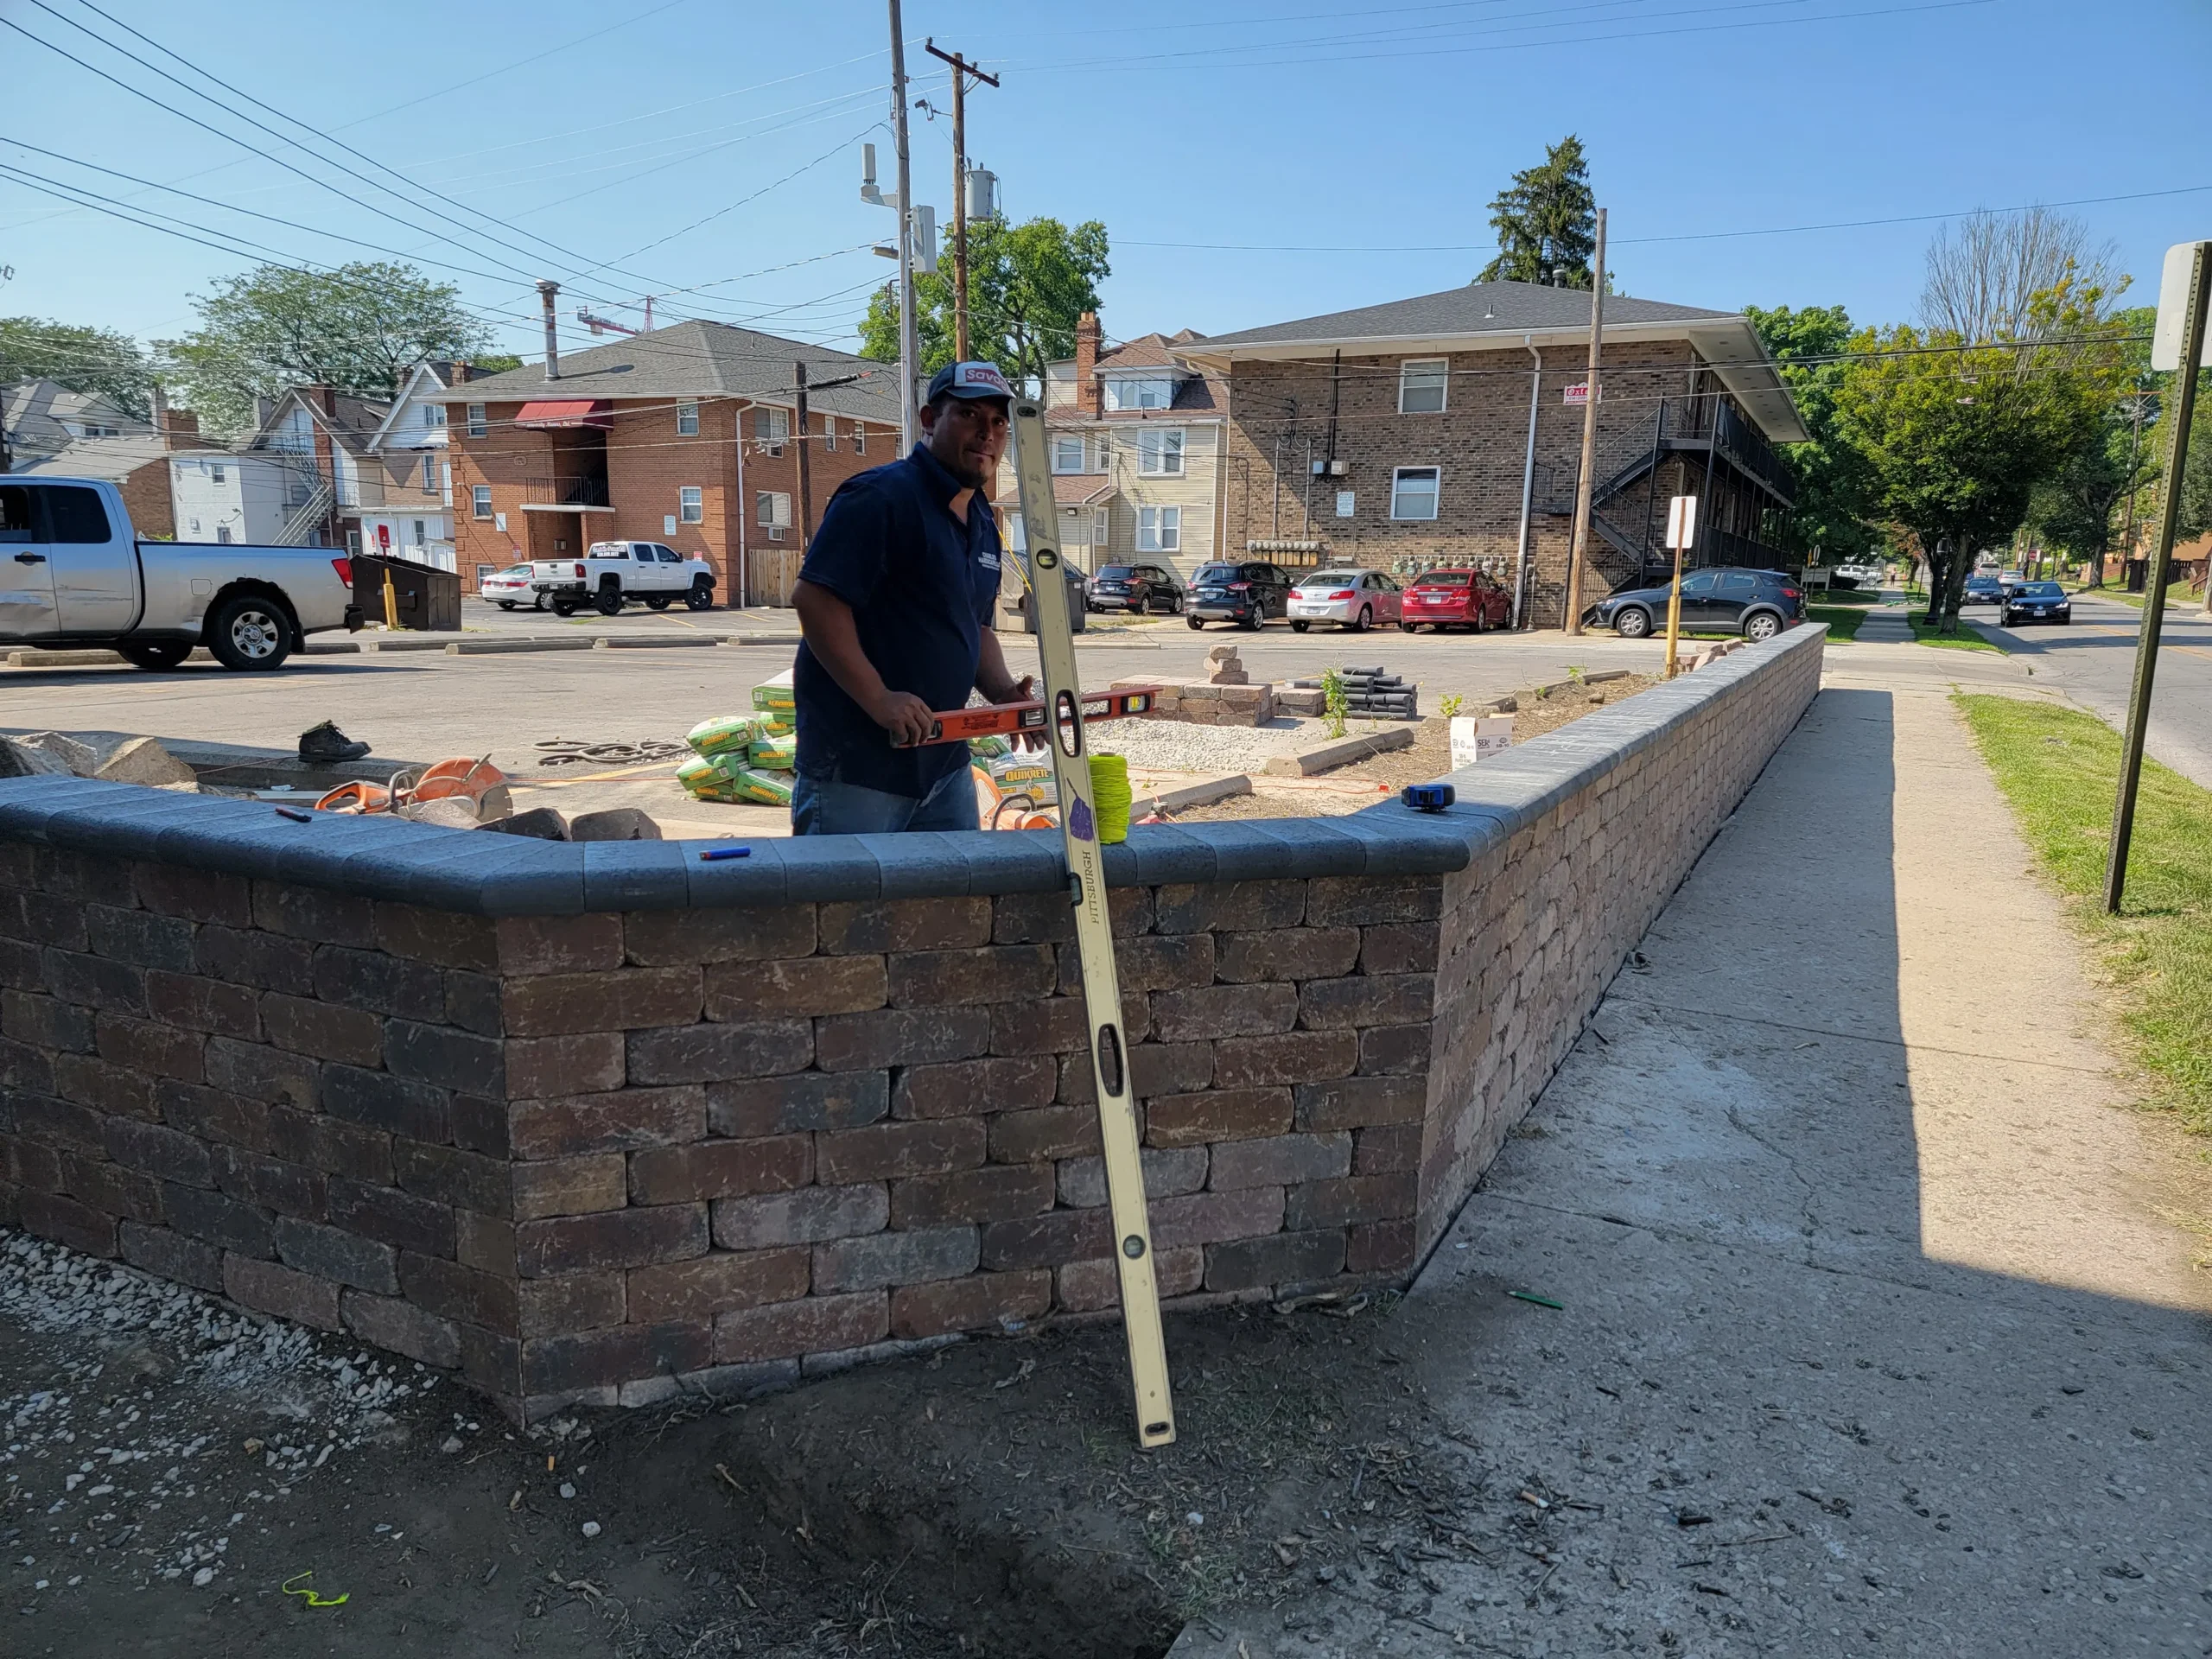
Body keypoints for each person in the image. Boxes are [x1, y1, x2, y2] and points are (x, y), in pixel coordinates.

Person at [788, 360, 1033, 835]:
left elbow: (974, 626)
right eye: (969, 415)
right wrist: (879, 698)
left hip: (944, 768)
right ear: (928, 419)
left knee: (952, 906)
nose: (987, 433)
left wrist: (1003, 693)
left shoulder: (982, 520)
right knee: (848, 907)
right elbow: (815, 601)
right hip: (859, 771)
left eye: (998, 422)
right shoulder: (880, 497)